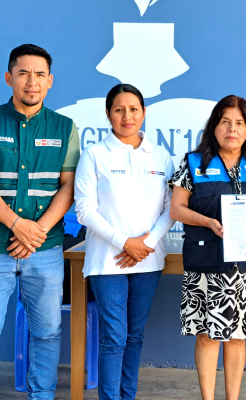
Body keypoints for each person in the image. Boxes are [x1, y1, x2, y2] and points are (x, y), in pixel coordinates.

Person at [0, 43, 80, 400]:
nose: (32, 81)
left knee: (48, 333)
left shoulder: (65, 127)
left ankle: (41, 396)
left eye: (40, 74)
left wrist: (36, 232)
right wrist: (18, 225)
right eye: (23, 73)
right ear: (8, 77)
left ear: (50, 81)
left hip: (45, 249)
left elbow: (69, 186)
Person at [169, 95, 246, 400]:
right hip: (207, 265)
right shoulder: (194, 163)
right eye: (225, 122)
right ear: (213, 127)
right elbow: (177, 209)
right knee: (207, 337)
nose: (232, 129)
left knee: (237, 338)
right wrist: (207, 222)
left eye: (239, 123)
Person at [73, 83, 175, 400]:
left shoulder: (161, 156)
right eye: (119, 110)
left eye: (133, 109)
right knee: (114, 337)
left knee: (134, 336)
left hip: (149, 260)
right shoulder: (94, 155)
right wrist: (124, 242)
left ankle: (126, 396)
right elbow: (84, 210)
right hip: (108, 261)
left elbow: (172, 208)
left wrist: (146, 243)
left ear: (143, 113)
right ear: (108, 114)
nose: (127, 116)